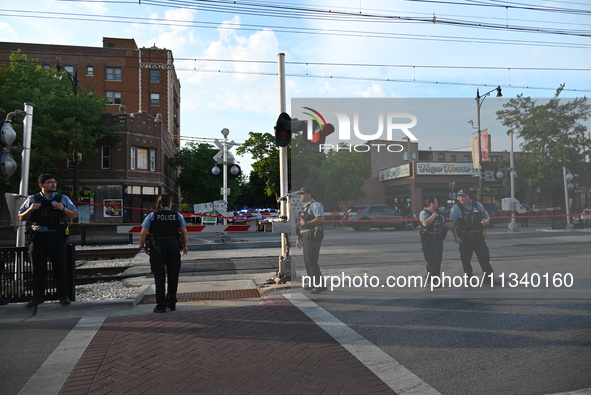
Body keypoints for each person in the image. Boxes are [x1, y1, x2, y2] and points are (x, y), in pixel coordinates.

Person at [18, 174, 78, 307]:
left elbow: (74, 214)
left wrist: (62, 208)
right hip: (38, 238)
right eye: (50, 182)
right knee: (38, 269)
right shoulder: (32, 199)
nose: (53, 184)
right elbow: (21, 217)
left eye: (54, 182)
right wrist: (30, 209)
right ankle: (37, 297)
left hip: (56, 237)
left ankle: (63, 295)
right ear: (42, 185)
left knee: (60, 268)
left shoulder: (62, 198)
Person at [138, 193, 189, 313]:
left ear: (159, 203)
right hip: (173, 246)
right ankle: (171, 303)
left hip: (157, 248)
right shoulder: (177, 216)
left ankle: (160, 305)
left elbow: (142, 233)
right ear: (170, 203)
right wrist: (185, 246)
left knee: (159, 277)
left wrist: (142, 246)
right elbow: (185, 232)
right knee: (173, 276)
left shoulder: (152, 215)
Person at [449, 189, 497, 281]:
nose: (462, 198)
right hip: (464, 237)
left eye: (464, 196)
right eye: (459, 197)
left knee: (484, 257)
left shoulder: (477, 205)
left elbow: (486, 215)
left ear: (468, 196)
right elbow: (453, 223)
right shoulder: (456, 208)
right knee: (465, 259)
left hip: (478, 236)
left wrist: (486, 220)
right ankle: (469, 276)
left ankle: (489, 278)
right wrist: (456, 236)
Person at [295, 186, 326, 294]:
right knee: (308, 261)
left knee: (312, 260)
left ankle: (320, 285)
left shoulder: (316, 205)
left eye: (302, 194)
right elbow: (300, 223)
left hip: (313, 236)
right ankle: (313, 282)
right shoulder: (305, 207)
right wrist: (298, 237)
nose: (300, 196)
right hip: (306, 237)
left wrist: (306, 224)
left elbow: (320, 219)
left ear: (309, 194)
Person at [419, 197, 447, 285]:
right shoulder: (424, 213)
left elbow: (442, 223)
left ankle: (436, 278)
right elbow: (425, 223)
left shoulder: (439, 213)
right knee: (431, 260)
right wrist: (433, 215)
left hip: (438, 239)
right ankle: (430, 280)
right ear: (431, 203)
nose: (437, 203)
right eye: (436, 202)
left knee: (438, 259)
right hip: (428, 240)